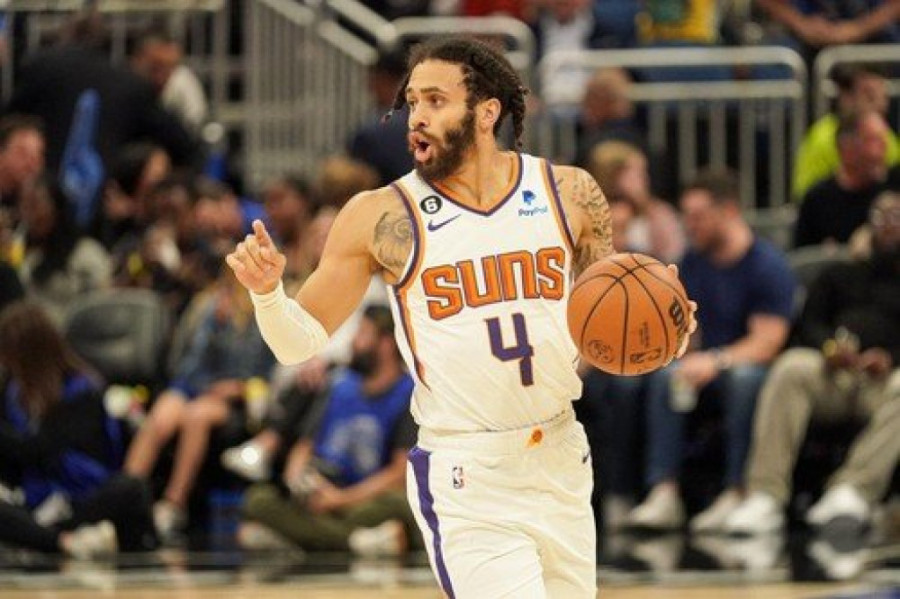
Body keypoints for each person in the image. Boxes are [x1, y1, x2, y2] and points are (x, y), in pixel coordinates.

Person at [227, 36, 696, 597]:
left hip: (560, 455)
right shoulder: (381, 216)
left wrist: (665, 329)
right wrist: (268, 295)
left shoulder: (570, 192)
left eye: (435, 100)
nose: (417, 118)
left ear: (487, 111)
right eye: (412, 103)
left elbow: (609, 322)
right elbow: (297, 344)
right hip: (467, 471)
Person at [622, 169, 795, 533]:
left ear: (729, 211)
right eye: (686, 215)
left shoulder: (767, 265)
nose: (690, 225)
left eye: (698, 216)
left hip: (751, 366)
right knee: (668, 375)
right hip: (706, 365)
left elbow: (768, 341)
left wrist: (716, 361)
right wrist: (682, 354)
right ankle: (664, 490)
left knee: (743, 380)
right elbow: (685, 328)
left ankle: (737, 490)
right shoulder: (693, 262)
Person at [726, 191, 900, 535]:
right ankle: (765, 495)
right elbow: (808, 323)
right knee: (792, 366)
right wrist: (829, 348)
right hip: (834, 375)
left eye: (897, 217)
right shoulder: (838, 274)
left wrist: (890, 358)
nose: (888, 225)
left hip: (886, 384)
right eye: (881, 216)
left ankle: (852, 490)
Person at [239, 306, 421, 555]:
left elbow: (400, 473)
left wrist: (341, 499)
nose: (353, 342)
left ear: (387, 344)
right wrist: (299, 482)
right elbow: (304, 447)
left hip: (362, 498)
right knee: (258, 499)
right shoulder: (339, 384)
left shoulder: (408, 393)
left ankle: (299, 538)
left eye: (363, 334)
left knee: (399, 504)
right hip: (321, 491)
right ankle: (357, 542)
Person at [791, 65, 900, 202]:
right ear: (846, 97)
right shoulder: (821, 138)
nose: (880, 104)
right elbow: (806, 194)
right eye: (869, 96)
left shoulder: (888, 137)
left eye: (883, 96)